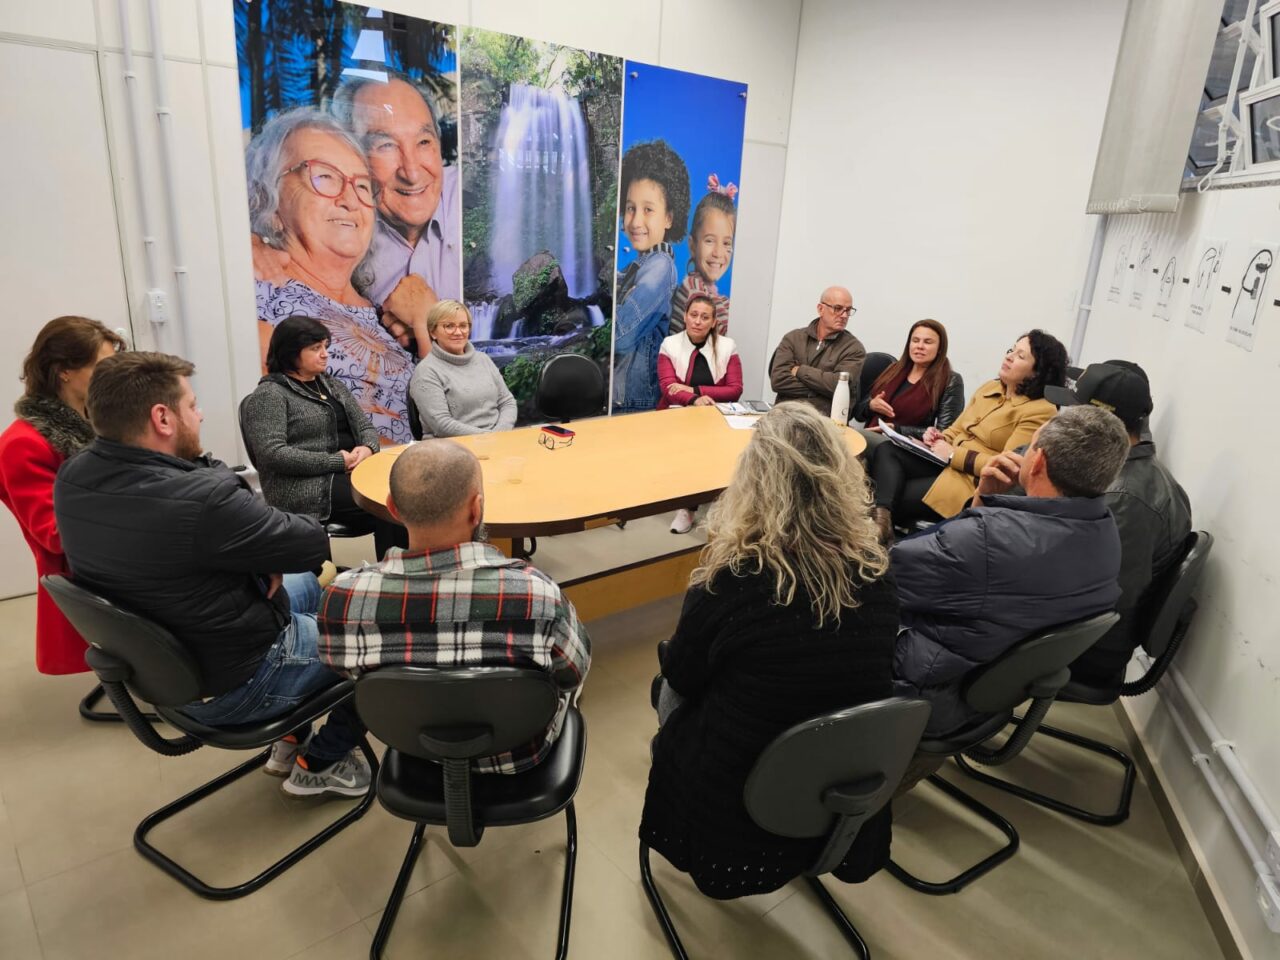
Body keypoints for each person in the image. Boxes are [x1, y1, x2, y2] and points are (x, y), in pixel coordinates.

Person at [53, 352, 370, 799]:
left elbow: (189, 543)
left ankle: (291, 734)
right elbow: (311, 540)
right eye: (193, 405)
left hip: (167, 672)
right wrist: (253, 539)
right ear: (162, 418)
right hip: (239, 682)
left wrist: (257, 555)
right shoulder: (201, 498)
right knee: (382, 638)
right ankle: (320, 762)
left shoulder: (73, 476)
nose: (200, 415)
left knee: (314, 584)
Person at [640, 402, 900, 899]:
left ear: (752, 484)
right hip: (838, 771)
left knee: (666, 685)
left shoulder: (732, 582)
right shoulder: (878, 573)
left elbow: (684, 677)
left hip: (739, 778)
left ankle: (677, 776)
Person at [317, 440, 591, 774]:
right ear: (476, 509)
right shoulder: (537, 594)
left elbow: (341, 668)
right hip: (521, 753)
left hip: (415, 752)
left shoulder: (342, 599)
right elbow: (574, 670)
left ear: (393, 508)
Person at [892, 404, 1129, 741]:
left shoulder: (988, 540)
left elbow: (883, 575)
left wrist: (980, 517)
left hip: (927, 694)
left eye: (1029, 445)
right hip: (990, 687)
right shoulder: (1105, 533)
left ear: (1039, 461)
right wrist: (982, 499)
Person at [247, 107, 416, 445]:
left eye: (363, 186)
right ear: (270, 199)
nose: (350, 199)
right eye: (325, 176)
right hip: (354, 486)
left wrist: (429, 323)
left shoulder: (384, 311)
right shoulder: (256, 295)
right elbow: (291, 431)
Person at [1045, 361, 1192, 687]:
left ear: (1099, 422)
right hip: (1079, 631)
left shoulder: (1126, 499)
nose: (1063, 419)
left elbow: (1102, 597)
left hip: (1087, 649)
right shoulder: (1122, 475)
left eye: (1072, 412)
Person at [0, 317, 124, 674]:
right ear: (64, 371)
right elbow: (54, 535)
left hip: (118, 551)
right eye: (101, 366)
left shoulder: (99, 422)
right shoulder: (23, 444)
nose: (111, 375)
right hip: (92, 568)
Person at [870, 329, 1067, 538]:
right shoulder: (990, 388)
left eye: (1020, 356)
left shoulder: (1040, 410)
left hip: (969, 481)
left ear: (1038, 371)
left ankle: (880, 530)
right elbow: (957, 429)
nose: (1009, 357)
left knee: (888, 493)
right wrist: (939, 436)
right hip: (943, 463)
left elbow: (1007, 469)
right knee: (887, 449)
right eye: (1011, 350)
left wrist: (954, 455)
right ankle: (881, 526)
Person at [330, 71, 461, 311]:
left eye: (424, 142)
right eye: (386, 146)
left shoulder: (477, 194)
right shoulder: (336, 228)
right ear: (350, 157)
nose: (411, 174)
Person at [240, 316, 381, 530]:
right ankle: (393, 561)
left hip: (348, 472)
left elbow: (365, 427)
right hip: (304, 488)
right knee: (384, 505)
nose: (325, 354)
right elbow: (272, 454)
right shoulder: (269, 395)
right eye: (315, 348)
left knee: (400, 496)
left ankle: (397, 561)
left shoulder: (332, 384)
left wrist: (368, 447)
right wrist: (335, 461)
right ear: (290, 353)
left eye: (325, 346)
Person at [612, 139, 691, 413]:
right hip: (620, 396)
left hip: (632, 402)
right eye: (630, 208)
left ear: (669, 218)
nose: (635, 221)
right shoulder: (639, 265)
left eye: (648, 210)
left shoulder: (659, 265)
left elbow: (619, 335)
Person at [657, 294, 743, 534]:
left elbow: (735, 390)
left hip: (715, 417)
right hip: (677, 415)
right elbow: (668, 388)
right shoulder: (670, 344)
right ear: (685, 316)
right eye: (693, 315)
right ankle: (686, 509)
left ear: (714, 322)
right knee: (688, 453)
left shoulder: (728, 346)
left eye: (705, 317)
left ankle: (721, 510)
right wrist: (696, 399)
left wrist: (694, 389)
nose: (697, 321)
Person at [855, 319, 964, 458]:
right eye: (915, 340)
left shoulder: (950, 381)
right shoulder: (893, 369)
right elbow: (858, 414)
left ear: (940, 349)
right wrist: (870, 406)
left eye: (928, 342)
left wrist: (897, 429)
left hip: (907, 448)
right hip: (871, 438)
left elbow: (945, 433)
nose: (920, 346)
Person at [408, 299, 517, 438]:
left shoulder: (483, 359)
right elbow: (441, 425)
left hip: (497, 439)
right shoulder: (426, 371)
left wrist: (500, 433)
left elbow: (507, 401)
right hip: (451, 449)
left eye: (463, 326)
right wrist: (488, 437)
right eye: (449, 326)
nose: (458, 332)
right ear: (433, 332)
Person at [768, 286, 866, 414]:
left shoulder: (854, 348)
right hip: (785, 415)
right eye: (837, 309)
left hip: (824, 421)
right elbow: (778, 381)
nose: (844, 315)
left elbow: (838, 387)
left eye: (848, 310)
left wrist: (800, 370)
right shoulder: (793, 338)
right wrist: (821, 391)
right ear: (820, 309)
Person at [669, 181, 735, 335]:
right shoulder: (692, 289)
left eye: (726, 243)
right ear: (693, 246)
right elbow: (725, 332)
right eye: (710, 241)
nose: (718, 253)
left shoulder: (712, 295)